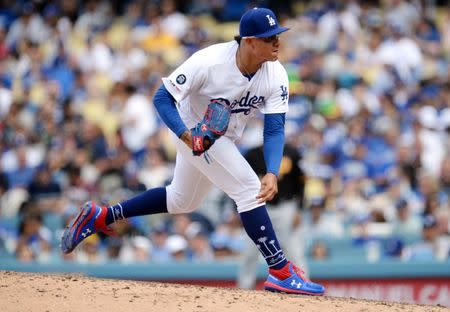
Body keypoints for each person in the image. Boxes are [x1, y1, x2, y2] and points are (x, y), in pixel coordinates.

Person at [61, 7, 325, 295]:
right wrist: (186, 136)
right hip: (193, 129)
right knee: (249, 190)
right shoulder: (209, 62)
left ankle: (102, 216)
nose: (277, 42)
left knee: (182, 200)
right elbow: (162, 98)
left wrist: (273, 171)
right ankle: (281, 270)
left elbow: (274, 129)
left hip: (221, 136)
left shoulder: (276, 74)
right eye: (269, 37)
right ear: (248, 41)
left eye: (277, 35)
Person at [237, 142, 308, 289]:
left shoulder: (291, 152)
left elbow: (301, 182)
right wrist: (238, 209)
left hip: (285, 207)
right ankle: (244, 289)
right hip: (258, 206)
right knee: (250, 251)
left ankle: (303, 283)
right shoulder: (252, 154)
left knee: (292, 249)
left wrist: (299, 209)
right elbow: (239, 182)